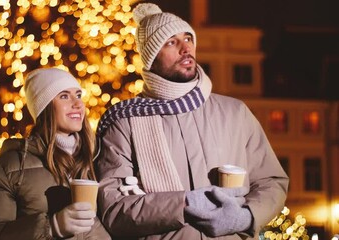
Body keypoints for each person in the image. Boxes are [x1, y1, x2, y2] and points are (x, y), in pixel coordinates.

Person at [94, 3, 289, 239]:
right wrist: (183, 205)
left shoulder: (235, 112)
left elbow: (271, 181)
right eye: (171, 42)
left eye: (188, 38)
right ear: (151, 58)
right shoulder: (125, 122)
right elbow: (115, 210)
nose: (185, 48)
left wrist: (247, 216)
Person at [0, 68, 111, 240]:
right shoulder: (9, 169)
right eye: (64, 96)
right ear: (45, 107)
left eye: (78, 95)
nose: (78, 104)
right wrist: (52, 227)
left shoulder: (98, 158)